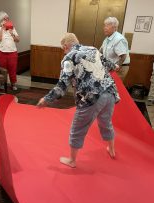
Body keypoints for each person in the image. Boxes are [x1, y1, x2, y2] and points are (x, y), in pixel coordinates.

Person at [37, 33, 120, 168]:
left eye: (63, 49)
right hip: (110, 92)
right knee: (106, 122)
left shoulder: (69, 57)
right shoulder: (93, 49)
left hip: (91, 97)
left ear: (65, 46)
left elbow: (63, 85)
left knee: (78, 129)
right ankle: (111, 149)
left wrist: (47, 99)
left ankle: (72, 160)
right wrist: (116, 67)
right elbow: (110, 65)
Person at [0, 11, 20, 91]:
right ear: (0, 20)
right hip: (1, 53)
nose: (6, 20)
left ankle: (13, 84)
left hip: (12, 53)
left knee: (13, 69)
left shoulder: (12, 28)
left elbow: (18, 40)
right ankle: (2, 84)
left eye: (7, 19)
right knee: (3, 70)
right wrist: (2, 28)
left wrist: (12, 33)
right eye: (4, 19)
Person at [100, 17, 130, 82]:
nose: (105, 28)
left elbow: (123, 56)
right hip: (110, 67)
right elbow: (101, 51)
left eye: (107, 25)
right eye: (105, 25)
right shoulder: (107, 39)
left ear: (114, 27)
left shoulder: (119, 39)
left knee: (114, 89)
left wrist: (117, 67)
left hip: (120, 68)